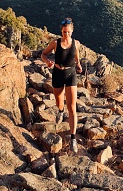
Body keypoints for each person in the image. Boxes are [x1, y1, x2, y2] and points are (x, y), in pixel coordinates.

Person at [41, 17, 82, 153]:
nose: (66, 34)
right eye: (64, 32)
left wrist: (79, 65)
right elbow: (43, 54)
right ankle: (60, 111)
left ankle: (73, 139)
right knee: (60, 103)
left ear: (72, 31)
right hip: (58, 74)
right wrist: (47, 62)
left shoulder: (76, 43)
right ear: (61, 31)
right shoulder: (55, 43)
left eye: (69, 32)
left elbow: (76, 55)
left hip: (71, 75)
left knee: (72, 107)